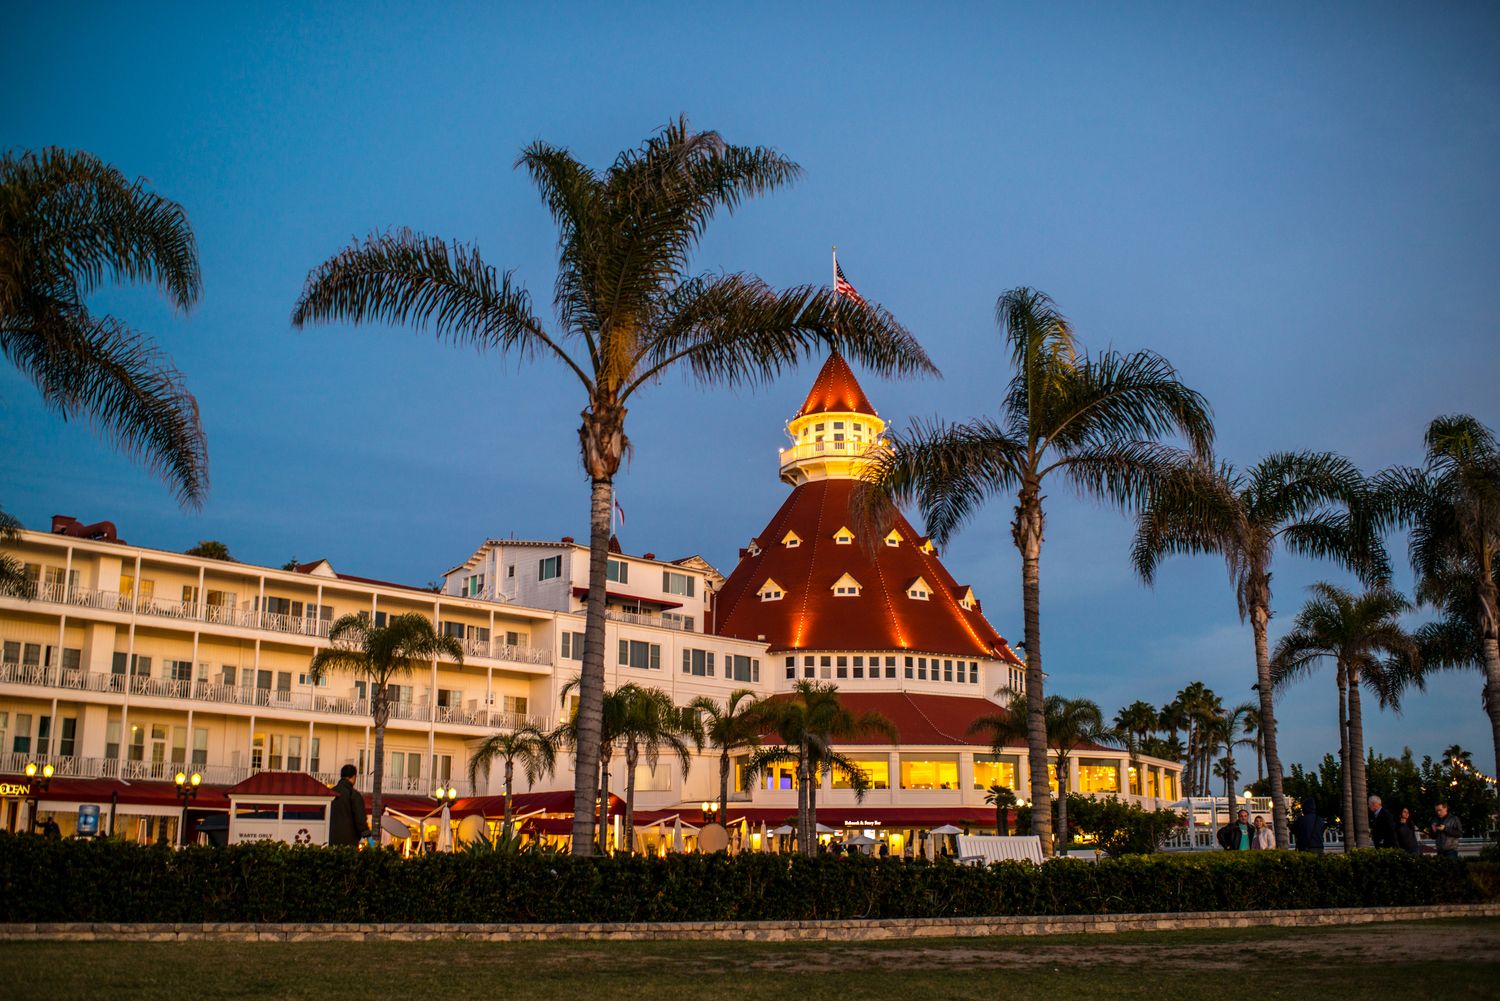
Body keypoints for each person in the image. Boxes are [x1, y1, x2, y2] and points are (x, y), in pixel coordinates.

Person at [328, 763, 370, 847]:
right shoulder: (354, 794)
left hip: (330, 838)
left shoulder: (330, 792)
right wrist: (367, 835)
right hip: (349, 840)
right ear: (354, 777)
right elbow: (360, 818)